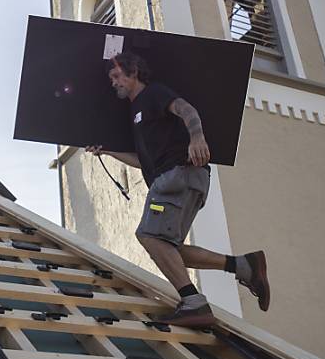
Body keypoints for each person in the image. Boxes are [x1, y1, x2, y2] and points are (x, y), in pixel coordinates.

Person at [85, 51, 269, 328]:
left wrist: (197, 136)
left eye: (116, 75)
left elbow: (187, 109)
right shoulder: (136, 113)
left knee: (148, 236)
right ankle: (243, 265)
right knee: (168, 248)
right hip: (179, 179)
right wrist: (109, 152)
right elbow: (143, 161)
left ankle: (194, 303)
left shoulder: (154, 94)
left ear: (133, 72)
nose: (113, 82)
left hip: (177, 178)